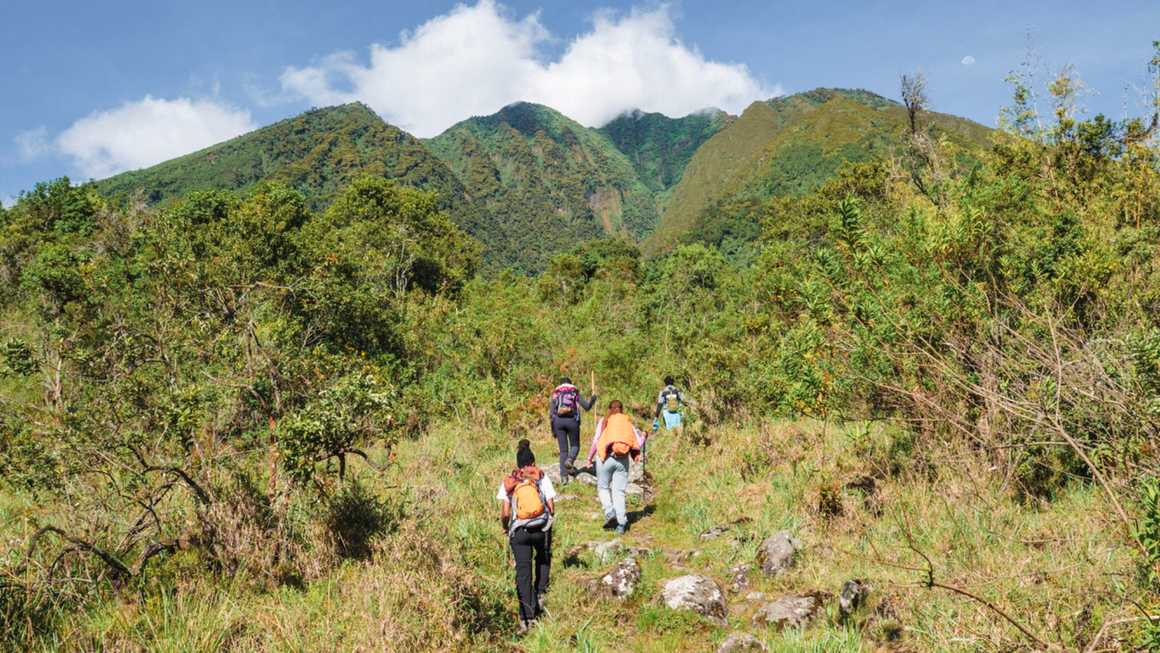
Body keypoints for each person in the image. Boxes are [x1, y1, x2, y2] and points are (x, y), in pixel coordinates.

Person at [497, 439, 556, 634]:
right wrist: (547, 520)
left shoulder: (510, 481)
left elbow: (505, 513)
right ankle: (540, 594)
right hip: (540, 528)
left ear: (517, 464)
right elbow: (551, 506)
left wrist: (507, 528)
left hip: (519, 533)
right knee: (543, 556)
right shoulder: (540, 477)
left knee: (523, 572)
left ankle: (526, 617)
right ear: (533, 461)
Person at [585, 400, 646, 535]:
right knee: (619, 492)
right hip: (622, 460)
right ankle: (621, 524)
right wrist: (644, 437)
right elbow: (637, 443)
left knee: (603, 487)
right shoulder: (627, 422)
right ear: (622, 409)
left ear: (609, 409)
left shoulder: (604, 421)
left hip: (605, 458)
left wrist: (589, 458)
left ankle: (609, 511)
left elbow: (596, 441)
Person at [549, 377, 597, 481]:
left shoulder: (556, 393)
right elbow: (587, 407)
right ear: (570, 384)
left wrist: (553, 429)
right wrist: (593, 399)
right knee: (575, 445)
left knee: (563, 451)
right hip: (572, 421)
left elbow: (551, 413)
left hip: (558, 422)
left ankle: (564, 477)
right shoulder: (574, 392)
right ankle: (570, 460)